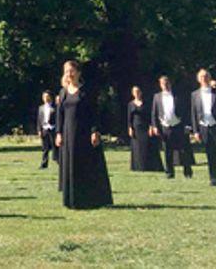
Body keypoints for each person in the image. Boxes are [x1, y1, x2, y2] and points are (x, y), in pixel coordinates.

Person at [55, 60, 113, 209]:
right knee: (70, 165)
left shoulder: (86, 91)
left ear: (78, 72)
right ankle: (72, 200)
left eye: (72, 71)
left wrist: (95, 131)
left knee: (86, 165)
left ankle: (88, 199)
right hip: (68, 134)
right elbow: (60, 115)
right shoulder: (63, 93)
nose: (69, 74)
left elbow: (94, 113)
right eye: (66, 71)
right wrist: (58, 133)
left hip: (83, 132)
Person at [151, 75, 192, 179]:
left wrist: (187, 125)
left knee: (183, 150)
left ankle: (187, 171)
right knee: (167, 151)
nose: (165, 85)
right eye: (163, 84)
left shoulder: (177, 95)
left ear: (170, 83)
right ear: (160, 85)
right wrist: (155, 126)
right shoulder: (157, 97)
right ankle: (169, 172)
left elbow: (185, 111)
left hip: (178, 125)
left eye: (167, 83)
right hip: (165, 126)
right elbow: (154, 113)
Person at [127, 86, 163, 172]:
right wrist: (130, 128)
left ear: (141, 93)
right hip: (136, 128)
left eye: (138, 91)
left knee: (148, 146)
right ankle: (138, 167)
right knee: (137, 148)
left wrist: (151, 126)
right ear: (133, 93)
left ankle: (150, 166)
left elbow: (151, 116)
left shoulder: (146, 103)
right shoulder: (131, 104)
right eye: (135, 92)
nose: (137, 93)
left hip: (146, 127)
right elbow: (129, 117)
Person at [38, 91, 58, 169]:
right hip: (44, 129)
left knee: (55, 147)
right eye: (44, 97)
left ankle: (58, 161)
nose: (46, 98)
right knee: (45, 148)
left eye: (47, 96)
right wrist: (39, 130)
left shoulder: (55, 107)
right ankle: (44, 163)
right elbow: (39, 120)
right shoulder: (41, 108)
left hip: (53, 129)